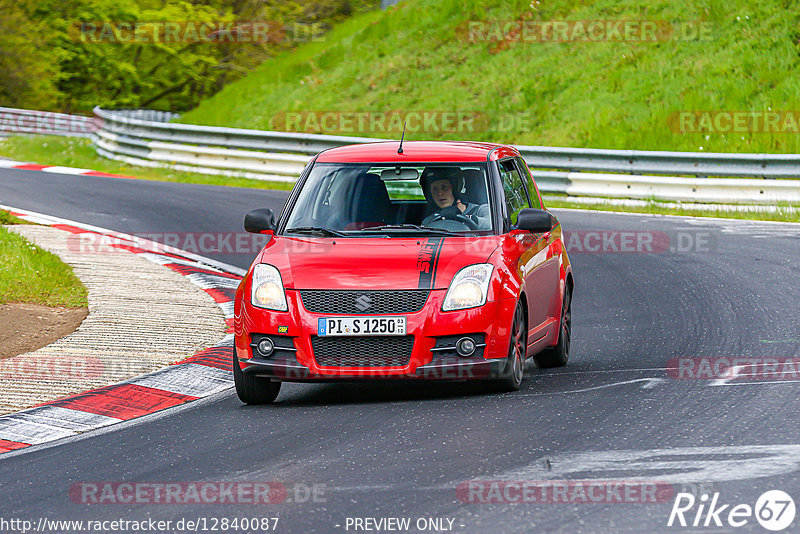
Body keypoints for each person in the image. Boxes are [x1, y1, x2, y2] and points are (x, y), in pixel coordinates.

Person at [420, 167, 490, 229]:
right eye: (434, 189)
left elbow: (491, 224)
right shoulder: (430, 220)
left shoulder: (481, 210)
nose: (439, 193)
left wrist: (470, 219)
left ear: (456, 189)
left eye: (444, 187)